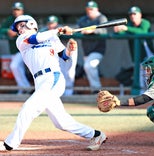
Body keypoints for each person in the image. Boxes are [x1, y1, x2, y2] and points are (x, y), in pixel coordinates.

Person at [0, 15, 107, 151]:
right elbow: (36, 38)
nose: (19, 30)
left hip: (52, 78)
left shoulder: (51, 37)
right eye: (17, 28)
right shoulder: (21, 40)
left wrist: (70, 49)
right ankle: (96, 134)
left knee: (28, 108)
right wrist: (59, 30)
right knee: (61, 122)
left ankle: (10, 144)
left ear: (31, 24)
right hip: (40, 81)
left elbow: (64, 56)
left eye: (21, 25)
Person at [113, 6, 154, 94]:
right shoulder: (130, 25)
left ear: (140, 15)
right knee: (141, 76)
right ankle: (141, 96)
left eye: (135, 14)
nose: (133, 16)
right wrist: (117, 30)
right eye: (131, 14)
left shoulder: (145, 22)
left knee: (151, 76)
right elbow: (121, 33)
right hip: (139, 57)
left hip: (150, 55)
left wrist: (126, 28)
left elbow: (143, 32)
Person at [40, 15, 78, 96]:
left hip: (70, 50)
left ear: (56, 23)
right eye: (49, 23)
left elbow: (68, 35)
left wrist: (64, 32)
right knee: (61, 70)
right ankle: (62, 92)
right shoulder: (46, 31)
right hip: (58, 52)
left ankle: (69, 93)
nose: (51, 25)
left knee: (69, 71)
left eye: (53, 23)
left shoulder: (62, 29)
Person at [77, 1, 108, 93]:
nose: (89, 11)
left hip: (98, 49)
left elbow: (103, 31)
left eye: (91, 9)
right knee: (89, 69)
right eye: (88, 9)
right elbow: (78, 28)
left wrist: (91, 30)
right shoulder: (83, 19)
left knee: (89, 66)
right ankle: (95, 91)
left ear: (96, 9)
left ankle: (97, 89)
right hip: (87, 50)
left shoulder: (101, 18)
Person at [0, 2, 31, 94]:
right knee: (18, 68)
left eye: (18, 9)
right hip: (14, 49)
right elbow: (2, 29)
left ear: (22, 10)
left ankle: (26, 88)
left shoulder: (27, 19)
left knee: (14, 66)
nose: (16, 11)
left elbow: (33, 30)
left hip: (25, 48)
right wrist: (8, 31)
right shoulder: (10, 19)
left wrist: (16, 32)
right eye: (15, 9)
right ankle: (23, 89)